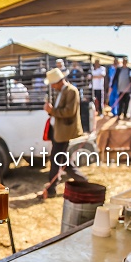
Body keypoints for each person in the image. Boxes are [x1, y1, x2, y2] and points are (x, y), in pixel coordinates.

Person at [43, 68, 86, 197]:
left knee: (56, 159)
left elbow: (69, 112)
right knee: (63, 161)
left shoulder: (71, 91)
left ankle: (51, 189)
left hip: (64, 132)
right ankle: (82, 181)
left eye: (53, 83)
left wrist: (52, 111)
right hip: (58, 131)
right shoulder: (61, 91)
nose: (52, 86)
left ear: (57, 82)